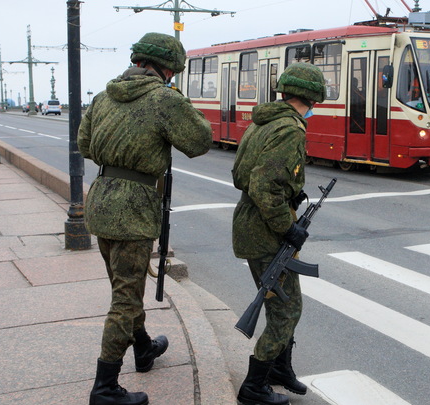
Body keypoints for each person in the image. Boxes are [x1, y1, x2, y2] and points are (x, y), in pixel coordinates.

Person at [78, 32, 212, 405]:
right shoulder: (164, 99)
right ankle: (104, 387)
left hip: (101, 200)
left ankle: (143, 348)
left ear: (137, 61)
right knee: (126, 296)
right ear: (167, 69)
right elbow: (200, 141)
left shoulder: (103, 96)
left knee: (124, 285)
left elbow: (85, 145)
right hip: (133, 208)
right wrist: (175, 103)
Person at [231, 62, 325, 405]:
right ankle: (254, 385)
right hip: (266, 231)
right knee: (287, 311)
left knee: (282, 303)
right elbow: (264, 185)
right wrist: (288, 229)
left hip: (252, 224)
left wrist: (291, 194)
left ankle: (279, 370)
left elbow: (243, 174)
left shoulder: (264, 122)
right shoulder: (290, 129)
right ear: (312, 97)